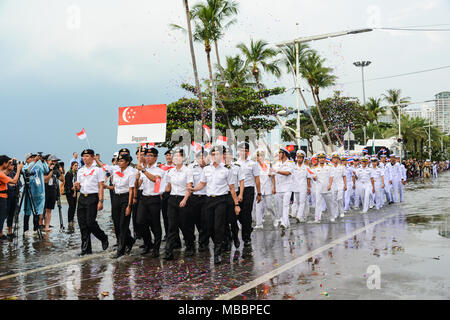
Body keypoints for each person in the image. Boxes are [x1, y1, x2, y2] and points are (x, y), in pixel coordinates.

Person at [190, 146, 241, 264]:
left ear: (222, 156)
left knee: (219, 226)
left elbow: (232, 189)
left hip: (221, 201)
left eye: (217, 154)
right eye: (213, 154)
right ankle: (222, 242)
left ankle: (217, 253)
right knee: (209, 226)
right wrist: (193, 189)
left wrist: (236, 204)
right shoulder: (206, 169)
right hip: (208, 200)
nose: (215, 156)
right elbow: (202, 184)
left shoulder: (227, 170)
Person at [73, 149, 109, 256]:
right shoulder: (80, 170)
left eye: (87, 156)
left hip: (93, 198)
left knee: (90, 223)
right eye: (83, 156)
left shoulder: (98, 170)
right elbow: (79, 186)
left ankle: (103, 237)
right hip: (82, 198)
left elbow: (101, 186)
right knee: (82, 224)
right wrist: (76, 186)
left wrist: (101, 201)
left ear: (93, 157)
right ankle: (86, 249)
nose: (85, 158)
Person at [163, 149, 193, 261]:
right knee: (172, 225)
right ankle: (168, 251)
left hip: (183, 199)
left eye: (177, 157)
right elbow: (168, 187)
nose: (175, 159)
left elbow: (189, 187)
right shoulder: (171, 172)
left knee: (185, 225)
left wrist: (185, 199)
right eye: (174, 157)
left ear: (183, 158)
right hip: (172, 199)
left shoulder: (187, 171)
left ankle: (190, 246)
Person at [106, 154, 136, 258]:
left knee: (123, 224)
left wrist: (129, 205)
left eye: (122, 161)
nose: (119, 162)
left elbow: (131, 189)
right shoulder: (116, 171)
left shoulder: (131, 172)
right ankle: (130, 240)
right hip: (116, 198)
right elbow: (114, 186)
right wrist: (106, 186)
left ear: (127, 162)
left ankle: (121, 249)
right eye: (118, 160)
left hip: (126, 198)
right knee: (116, 223)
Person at [136, 148, 164, 257]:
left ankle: (156, 248)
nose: (148, 158)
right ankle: (148, 243)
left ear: (156, 157)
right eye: (146, 156)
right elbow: (138, 185)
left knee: (155, 224)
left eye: (151, 156)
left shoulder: (159, 170)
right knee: (140, 222)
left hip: (154, 199)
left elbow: (155, 179)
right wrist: (137, 178)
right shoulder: (143, 170)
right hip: (144, 198)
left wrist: (143, 171)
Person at [236, 142, 261, 247]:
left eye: (246, 150)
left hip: (248, 190)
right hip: (237, 190)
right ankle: (247, 226)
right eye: (242, 150)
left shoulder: (253, 164)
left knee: (246, 213)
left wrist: (259, 193)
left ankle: (246, 238)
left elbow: (257, 178)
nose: (244, 152)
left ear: (248, 152)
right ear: (239, 151)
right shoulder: (235, 164)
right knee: (237, 214)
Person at [188, 149, 209, 252]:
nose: (201, 159)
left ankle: (203, 242)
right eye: (199, 157)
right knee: (196, 220)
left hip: (206, 197)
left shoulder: (210, 168)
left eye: (203, 157)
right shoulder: (191, 167)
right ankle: (201, 238)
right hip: (194, 197)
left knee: (205, 220)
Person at [223, 148, 244, 251]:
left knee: (233, 219)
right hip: (222, 195)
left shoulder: (236, 167)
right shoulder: (219, 168)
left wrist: (240, 194)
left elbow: (241, 182)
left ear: (231, 156)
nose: (226, 157)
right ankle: (227, 239)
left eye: (228, 155)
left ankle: (235, 236)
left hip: (233, 195)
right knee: (224, 220)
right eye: (224, 155)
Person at [22, 153, 46, 235]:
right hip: (29, 192)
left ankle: (35, 230)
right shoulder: (25, 166)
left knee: (37, 212)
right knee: (27, 212)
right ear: (27, 159)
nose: (33, 159)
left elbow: (46, 170)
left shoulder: (38, 166)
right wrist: (34, 161)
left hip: (38, 193)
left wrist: (43, 162)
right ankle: (26, 230)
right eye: (31, 158)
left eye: (34, 158)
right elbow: (26, 171)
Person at [0, 156, 23, 240]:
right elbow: (13, 182)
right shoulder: (2, 173)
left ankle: (8, 232)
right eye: (9, 163)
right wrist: (18, 169)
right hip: (4, 197)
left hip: (12, 195)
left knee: (10, 214)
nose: (12, 165)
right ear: (5, 164)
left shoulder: (11, 173)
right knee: (3, 216)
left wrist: (16, 168)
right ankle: (1, 233)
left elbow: (18, 184)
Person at [272, 148, 294, 230]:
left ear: (284, 154)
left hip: (287, 188)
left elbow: (288, 173)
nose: (278, 155)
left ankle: (284, 223)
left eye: (280, 153)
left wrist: (277, 171)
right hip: (278, 188)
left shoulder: (290, 163)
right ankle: (285, 222)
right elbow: (272, 175)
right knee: (279, 206)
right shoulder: (277, 163)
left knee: (285, 205)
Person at [310, 152, 334, 223]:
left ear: (325, 159)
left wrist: (330, 185)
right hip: (319, 188)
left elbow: (331, 176)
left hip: (327, 188)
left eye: (323, 158)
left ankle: (332, 216)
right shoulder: (315, 168)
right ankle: (317, 218)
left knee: (329, 203)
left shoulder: (329, 167)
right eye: (320, 158)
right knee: (318, 203)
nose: (321, 159)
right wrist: (314, 178)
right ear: (318, 159)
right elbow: (314, 178)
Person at [254, 150, 276, 229]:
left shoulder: (268, 165)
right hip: (258, 189)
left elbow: (273, 177)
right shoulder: (254, 166)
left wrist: (274, 187)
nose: (260, 157)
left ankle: (274, 219)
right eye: (258, 155)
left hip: (267, 188)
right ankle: (259, 223)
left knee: (269, 206)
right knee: (258, 207)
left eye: (261, 155)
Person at [43, 155, 63, 231]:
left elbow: (62, 179)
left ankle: (47, 226)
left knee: (49, 210)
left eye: (55, 161)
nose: (54, 163)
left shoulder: (55, 170)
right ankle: (40, 225)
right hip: (45, 191)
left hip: (53, 191)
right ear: (48, 161)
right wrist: (51, 171)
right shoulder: (45, 169)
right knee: (42, 210)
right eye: (53, 161)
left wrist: (61, 171)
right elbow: (46, 180)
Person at [291, 150, 312, 223]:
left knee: (302, 202)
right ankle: (303, 216)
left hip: (303, 187)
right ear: (296, 158)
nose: (299, 159)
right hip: (295, 187)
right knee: (297, 202)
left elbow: (308, 178)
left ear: (303, 159)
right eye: (298, 157)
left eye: (301, 158)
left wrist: (309, 188)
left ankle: (299, 217)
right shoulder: (293, 167)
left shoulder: (306, 168)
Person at [330, 152, 347, 219]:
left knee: (340, 198)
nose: (335, 160)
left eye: (337, 158)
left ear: (339, 159)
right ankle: (335, 213)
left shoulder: (342, 167)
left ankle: (341, 212)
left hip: (340, 184)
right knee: (334, 199)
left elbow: (344, 176)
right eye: (334, 158)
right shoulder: (330, 167)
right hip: (333, 185)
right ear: (332, 159)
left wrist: (345, 185)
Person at [64, 161, 79, 229]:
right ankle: (69, 220)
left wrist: (76, 191)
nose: (76, 167)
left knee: (74, 206)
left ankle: (72, 219)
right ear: (72, 166)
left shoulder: (76, 173)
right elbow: (69, 185)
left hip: (74, 191)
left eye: (77, 165)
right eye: (75, 165)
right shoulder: (68, 173)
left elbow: (77, 183)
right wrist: (73, 191)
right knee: (71, 206)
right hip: (69, 192)